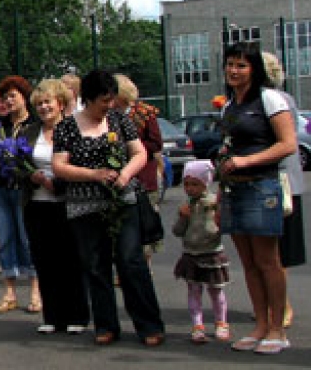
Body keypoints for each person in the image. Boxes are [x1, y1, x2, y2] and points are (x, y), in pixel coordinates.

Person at [52, 69, 166, 347]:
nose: (110, 105)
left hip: (122, 201)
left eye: (112, 99)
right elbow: (59, 166)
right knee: (95, 264)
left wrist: (125, 175)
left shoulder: (118, 120)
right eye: (104, 100)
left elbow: (140, 153)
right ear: (89, 99)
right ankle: (105, 324)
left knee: (131, 261)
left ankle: (149, 324)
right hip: (84, 206)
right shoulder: (66, 126)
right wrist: (93, 175)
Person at [218, 42, 296, 355]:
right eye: (230, 65)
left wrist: (247, 161)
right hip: (233, 189)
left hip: (261, 187)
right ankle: (261, 325)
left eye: (241, 65)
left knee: (268, 261)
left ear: (254, 69)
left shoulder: (269, 99)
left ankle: (278, 328)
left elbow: (287, 144)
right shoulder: (229, 106)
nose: (234, 71)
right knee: (248, 263)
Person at [23, 79, 89, 334]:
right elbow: (18, 165)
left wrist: (58, 183)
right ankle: (52, 316)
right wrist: (31, 176)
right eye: (38, 104)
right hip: (37, 205)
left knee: (70, 260)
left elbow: (83, 163)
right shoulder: (29, 132)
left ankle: (77, 316)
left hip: (68, 204)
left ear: (60, 104)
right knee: (44, 260)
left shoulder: (74, 130)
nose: (43, 107)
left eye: (47, 102)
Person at [0, 75, 41, 314]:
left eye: (13, 96)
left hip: (24, 190)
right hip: (1, 189)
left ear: (24, 98)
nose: (8, 101)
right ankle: (9, 292)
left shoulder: (35, 125)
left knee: (27, 239)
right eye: (5, 97)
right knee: (5, 238)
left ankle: (36, 291)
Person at [262, 51, 306, 328]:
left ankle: (281, 305)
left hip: (281, 183)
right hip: (259, 182)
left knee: (278, 251)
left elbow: (287, 141)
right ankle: (273, 304)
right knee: (264, 250)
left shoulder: (278, 100)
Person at [172, 159, 231, 344]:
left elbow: (222, 226)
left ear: (205, 183)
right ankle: (197, 325)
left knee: (216, 291)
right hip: (191, 254)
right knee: (194, 290)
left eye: (195, 184)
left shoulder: (214, 203)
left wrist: (218, 220)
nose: (190, 189)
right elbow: (177, 231)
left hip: (211, 253)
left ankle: (221, 322)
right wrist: (183, 217)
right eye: (186, 184)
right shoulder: (185, 206)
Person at [113, 74, 165, 266]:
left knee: (144, 221)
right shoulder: (109, 114)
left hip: (143, 177)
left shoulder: (145, 113)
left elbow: (156, 143)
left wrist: (132, 147)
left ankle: (145, 263)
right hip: (119, 177)